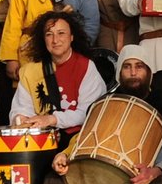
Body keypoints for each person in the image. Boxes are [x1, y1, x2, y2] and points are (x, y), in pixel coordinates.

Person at [22, 46, 162, 184]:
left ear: (149, 72)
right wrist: (66, 154)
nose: (133, 72)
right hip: (99, 164)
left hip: (144, 175)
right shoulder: (105, 100)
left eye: (139, 67)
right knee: (56, 172)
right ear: (119, 72)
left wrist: (156, 170)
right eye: (127, 67)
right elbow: (84, 133)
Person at [9, 9, 108, 143]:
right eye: (49, 34)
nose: (55, 40)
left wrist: (52, 119)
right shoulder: (30, 71)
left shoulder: (85, 67)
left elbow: (90, 112)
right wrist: (20, 118)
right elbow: (20, 108)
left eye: (61, 33)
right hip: (40, 141)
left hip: (78, 140)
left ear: (71, 37)